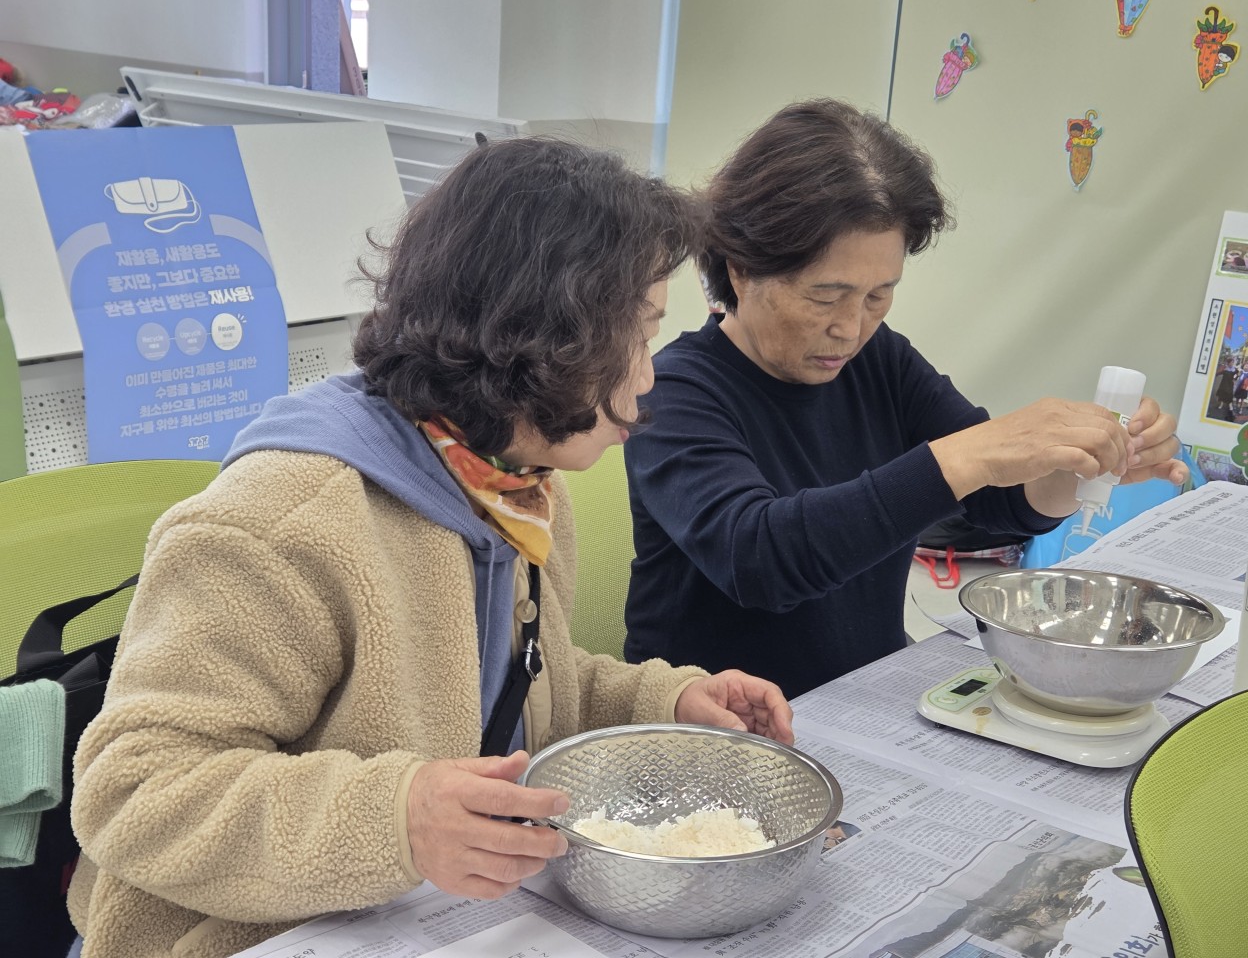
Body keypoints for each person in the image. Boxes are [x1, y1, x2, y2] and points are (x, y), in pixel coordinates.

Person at [66, 137, 793, 958]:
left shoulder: (514, 482)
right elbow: (132, 789)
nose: (649, 377)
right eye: (640, 334)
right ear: (545, 334)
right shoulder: (285, 520)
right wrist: (399, 819)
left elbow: (511, 685)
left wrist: (663, 704)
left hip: (417, 917)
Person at [622, 99, 1187, 700]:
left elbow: (997, 500)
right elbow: (760, 559)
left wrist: (1077, 466)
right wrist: (971, 453)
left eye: (878, 296)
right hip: (722, 721)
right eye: (825, 296)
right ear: (740, 270)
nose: (850, 328)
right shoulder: (674, 391)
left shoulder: (877, 359)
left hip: (864, 698)